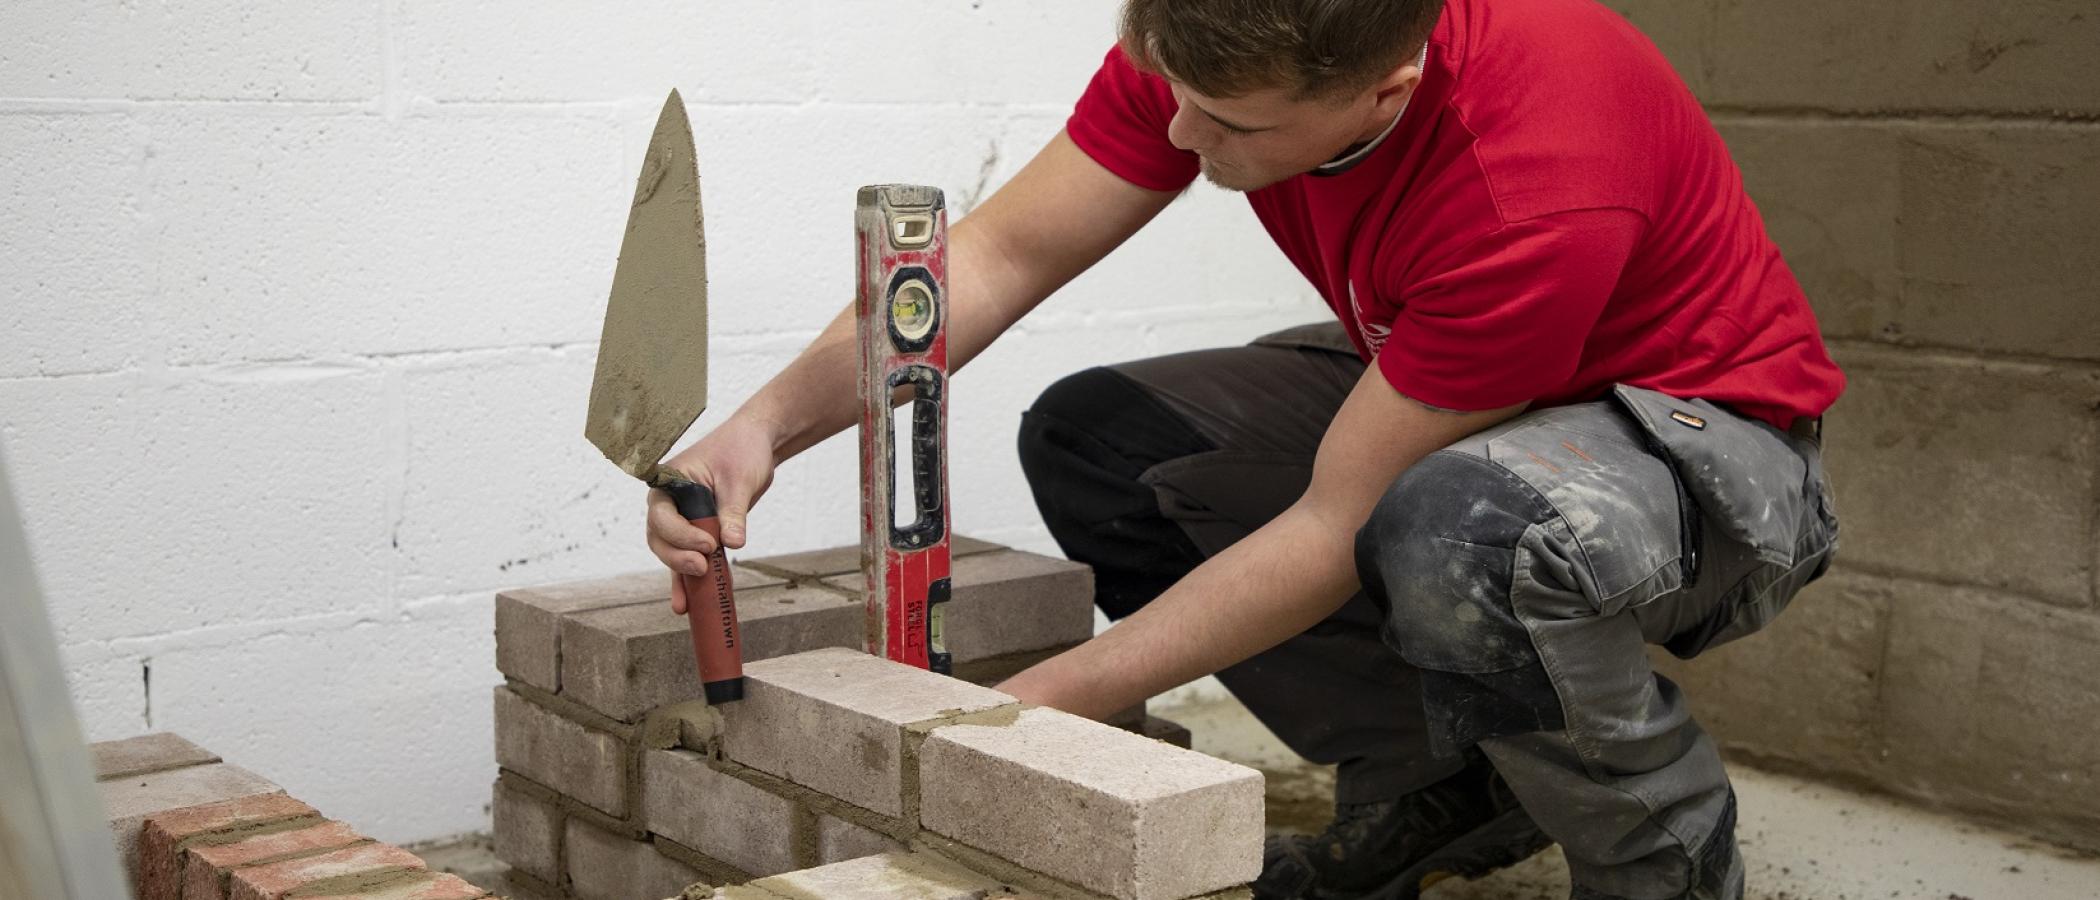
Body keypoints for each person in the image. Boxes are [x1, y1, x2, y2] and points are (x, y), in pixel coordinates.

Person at [646, 0, 1844, 897]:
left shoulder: (1531, 184)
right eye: (1172, 92)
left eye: (1227, 124)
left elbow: (1333, 525)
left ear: (1386, 92)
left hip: (1703, 455)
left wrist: (1020, 715)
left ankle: (1664, 855)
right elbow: (1005, 254)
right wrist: (761, 428)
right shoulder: (1221, 39)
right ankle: (1445, 779)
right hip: (1474, 403)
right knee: (1101, 441)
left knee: (1460, 533)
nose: (1180, 130)